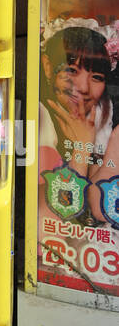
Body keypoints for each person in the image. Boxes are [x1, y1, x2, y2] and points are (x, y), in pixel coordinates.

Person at [40, 26, 116, 224]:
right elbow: (62, 214)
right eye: (71, 70)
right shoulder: (38, 120)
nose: (83, 88)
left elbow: (103, 208)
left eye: (97, 77)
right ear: (48, 66)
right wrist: (82, 148)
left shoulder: (104, 120)